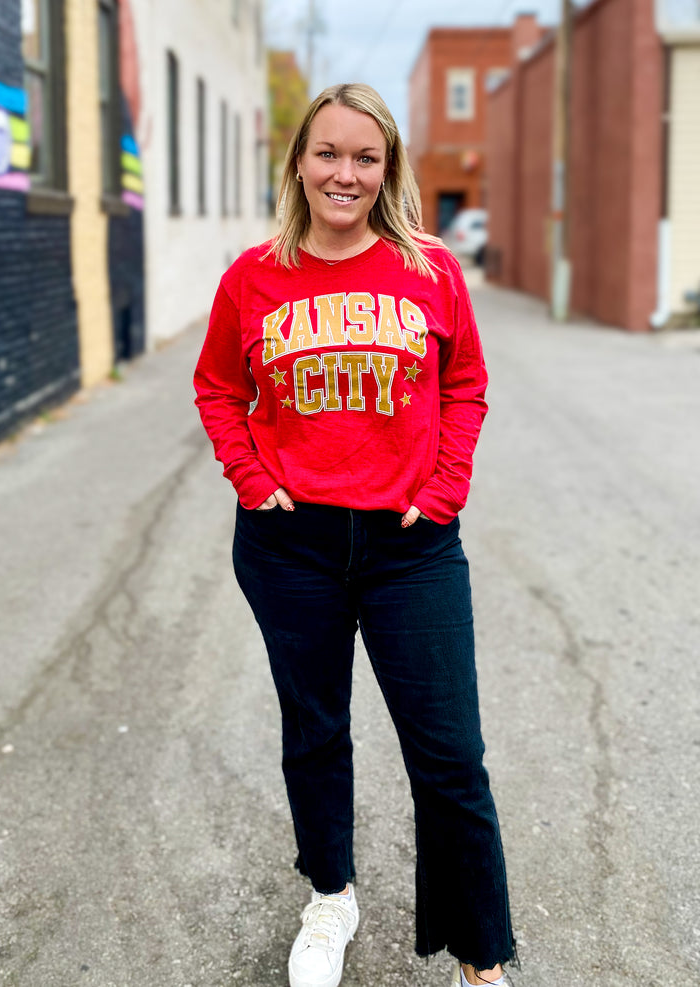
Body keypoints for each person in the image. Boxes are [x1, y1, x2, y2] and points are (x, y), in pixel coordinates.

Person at [194, 83, 515, 987]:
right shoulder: (253, 277)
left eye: (365, 158)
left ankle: (480, 956)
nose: (346, 173)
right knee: (316, 730)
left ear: (388, 170)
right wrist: (252, 478)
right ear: (299, 161)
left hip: (410, 547)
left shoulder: (429, 269)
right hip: (290, 545)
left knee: (450, 753)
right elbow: (219, 387)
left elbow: (466, 385)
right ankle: (331, 895)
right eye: (328, 153)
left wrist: (446, 489)